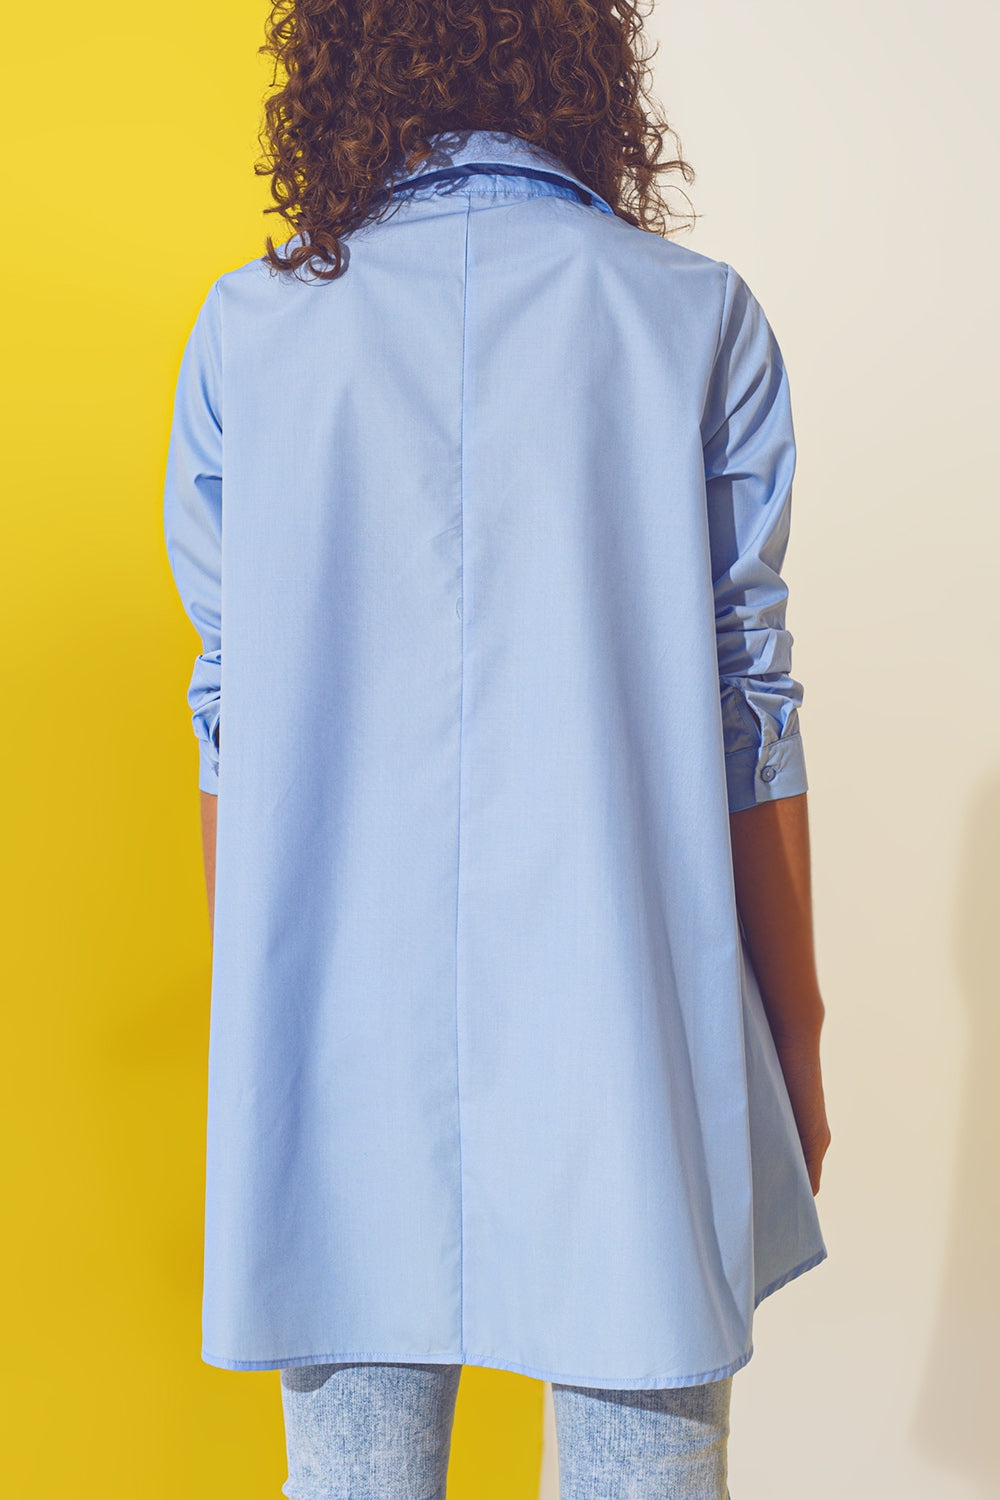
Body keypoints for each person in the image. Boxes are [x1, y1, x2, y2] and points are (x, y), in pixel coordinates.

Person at [162, 0, 832, 1494]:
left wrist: (259, 1032)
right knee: (647, 1474)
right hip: (636, 1014)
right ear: (582, 58)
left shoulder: (249, 332)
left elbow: (232, 720)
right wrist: (797, 1027)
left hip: (330, 1028)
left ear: (340, 59)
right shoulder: (694, 314)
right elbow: (752, 710)